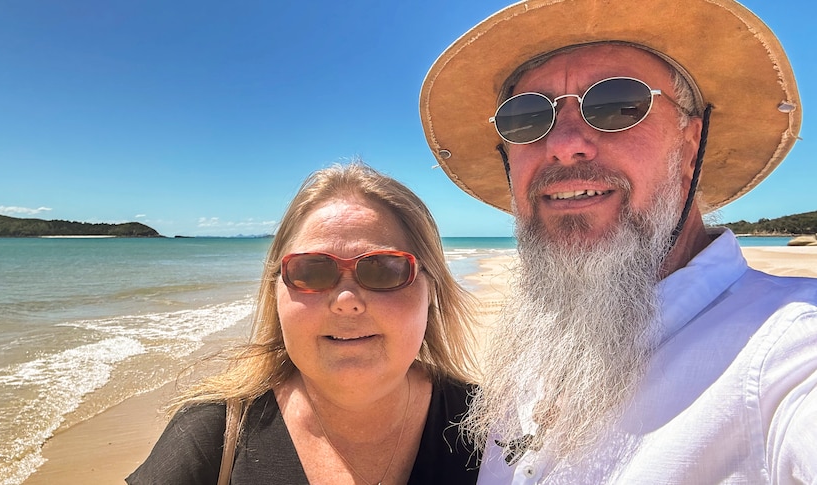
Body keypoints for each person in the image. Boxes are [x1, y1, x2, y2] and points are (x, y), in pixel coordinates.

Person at [419, 0, 815, 483]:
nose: (564, 143)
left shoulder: (788, 354)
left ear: (690, 144)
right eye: (526, 117)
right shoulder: (542, 344)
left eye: (616, 105)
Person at [126, 162, 481, 484]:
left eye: (384, 268)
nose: (346, 302)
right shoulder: (211, 436)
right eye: (311, 270)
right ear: (275, 292)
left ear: (431, 290)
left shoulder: (495, 431)